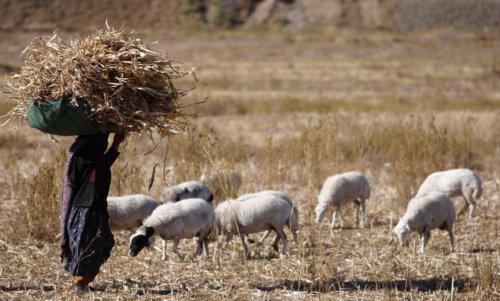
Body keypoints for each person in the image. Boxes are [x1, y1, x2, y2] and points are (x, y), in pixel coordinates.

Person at [59, 131, 125, 293]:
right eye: (102, 140)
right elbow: (99, 165)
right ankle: (80, 282)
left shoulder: (90, 155)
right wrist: (113, 144)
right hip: (84, 209)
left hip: (94, 207)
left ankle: (79, 274)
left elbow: (102, 164)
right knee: (84, 245)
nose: (103, 143)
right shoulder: (82, 156)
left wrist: (115, 145)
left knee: (104, 241)